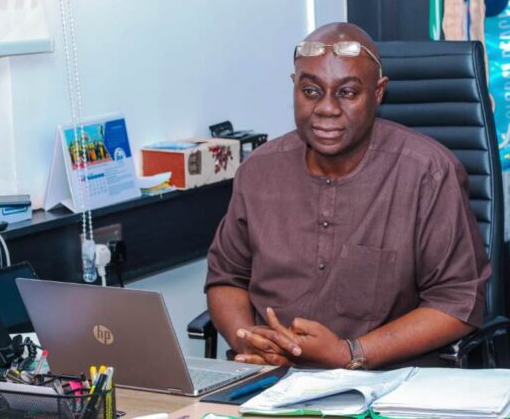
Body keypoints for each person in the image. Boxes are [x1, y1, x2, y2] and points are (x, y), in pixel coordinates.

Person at [205, 22, 490, 369]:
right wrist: (245, 337)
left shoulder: (428, 173)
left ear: (378, 92)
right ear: (294, 87)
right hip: (272, 382)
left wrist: (349, 353)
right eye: (311, 91)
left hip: (384, 384)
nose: (326, 108)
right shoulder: (258, 172)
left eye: (347, 93)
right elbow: (226, 278)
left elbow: (458, 303)